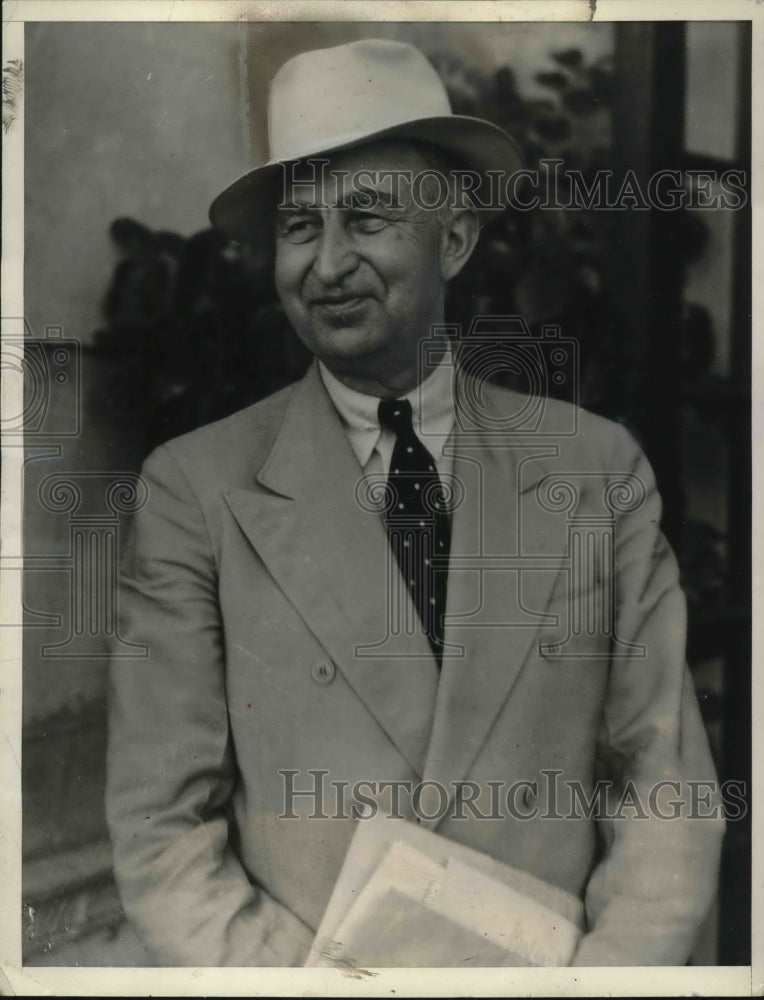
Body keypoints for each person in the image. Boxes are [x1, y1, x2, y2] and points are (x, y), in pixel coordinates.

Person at [106, 38, 724, 967]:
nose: (327, 264)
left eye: (367, 217)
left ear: (458, 238)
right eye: (300, 227)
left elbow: (664, 785)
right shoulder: (196, 490)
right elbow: (161, 830)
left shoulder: (595, 470)